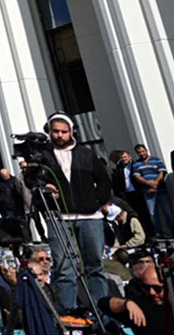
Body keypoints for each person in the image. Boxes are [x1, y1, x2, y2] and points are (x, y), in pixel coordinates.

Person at [34, 113, 112, 312]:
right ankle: (69, 310)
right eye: (55, 131)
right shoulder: (43, 155)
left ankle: (101, 310)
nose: (59, 135)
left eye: (63, 131)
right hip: (59, 216)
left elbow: (104, 179)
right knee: (63, 266)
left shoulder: (86, 153)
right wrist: (44, 186)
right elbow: (31, 182)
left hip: (90, 216)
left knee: (94, 264)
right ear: (49, 131)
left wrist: (96, 201)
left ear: (71, 132)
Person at [98, 265, 174, 335]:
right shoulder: (141, 307)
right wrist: (126, 303)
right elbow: (103, 304)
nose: (152, 292)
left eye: (157, 288)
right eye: (146, 288)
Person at [131, 143, 174, 238]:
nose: (141, 154)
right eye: (139, 152)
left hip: (161, 189)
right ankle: (159, 233)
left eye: (143, 151)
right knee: (153, 214)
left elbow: (162, 172)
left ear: (146, 150)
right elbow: (137, 177)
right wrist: (149, 183)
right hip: (147, 191)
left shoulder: (156, 160)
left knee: (168, 212)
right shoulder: (136, 164)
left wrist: (155, 183)